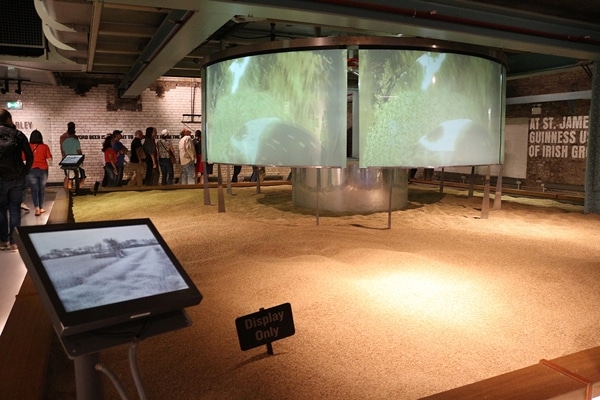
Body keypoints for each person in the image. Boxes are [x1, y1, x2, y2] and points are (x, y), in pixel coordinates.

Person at [0, 109, 33, 252]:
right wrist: (25, 171)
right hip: (17, 176)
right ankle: (15, 242)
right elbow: (29, 155)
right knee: (15, 209)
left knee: (1, 209)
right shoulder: (18, 134)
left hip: (0, 178)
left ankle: (3, 241)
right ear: (9, 119)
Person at [26, 129, 53, 216]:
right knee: (41, 189)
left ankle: (36, 208)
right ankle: (41, 208)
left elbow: (23, 158)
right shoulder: (45, 146)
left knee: (34, 190)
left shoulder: (27, 146)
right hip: (43, 170)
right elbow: (49, 159)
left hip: (31, 170)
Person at [61, 122, 86, 188]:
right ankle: (78, 190)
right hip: (76, 161)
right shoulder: (76, 140)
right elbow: (79, 152)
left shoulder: (64, 141)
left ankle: (69, 192)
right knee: (82, 177)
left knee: (70, 178)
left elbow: (63, 152)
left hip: (68, 161)